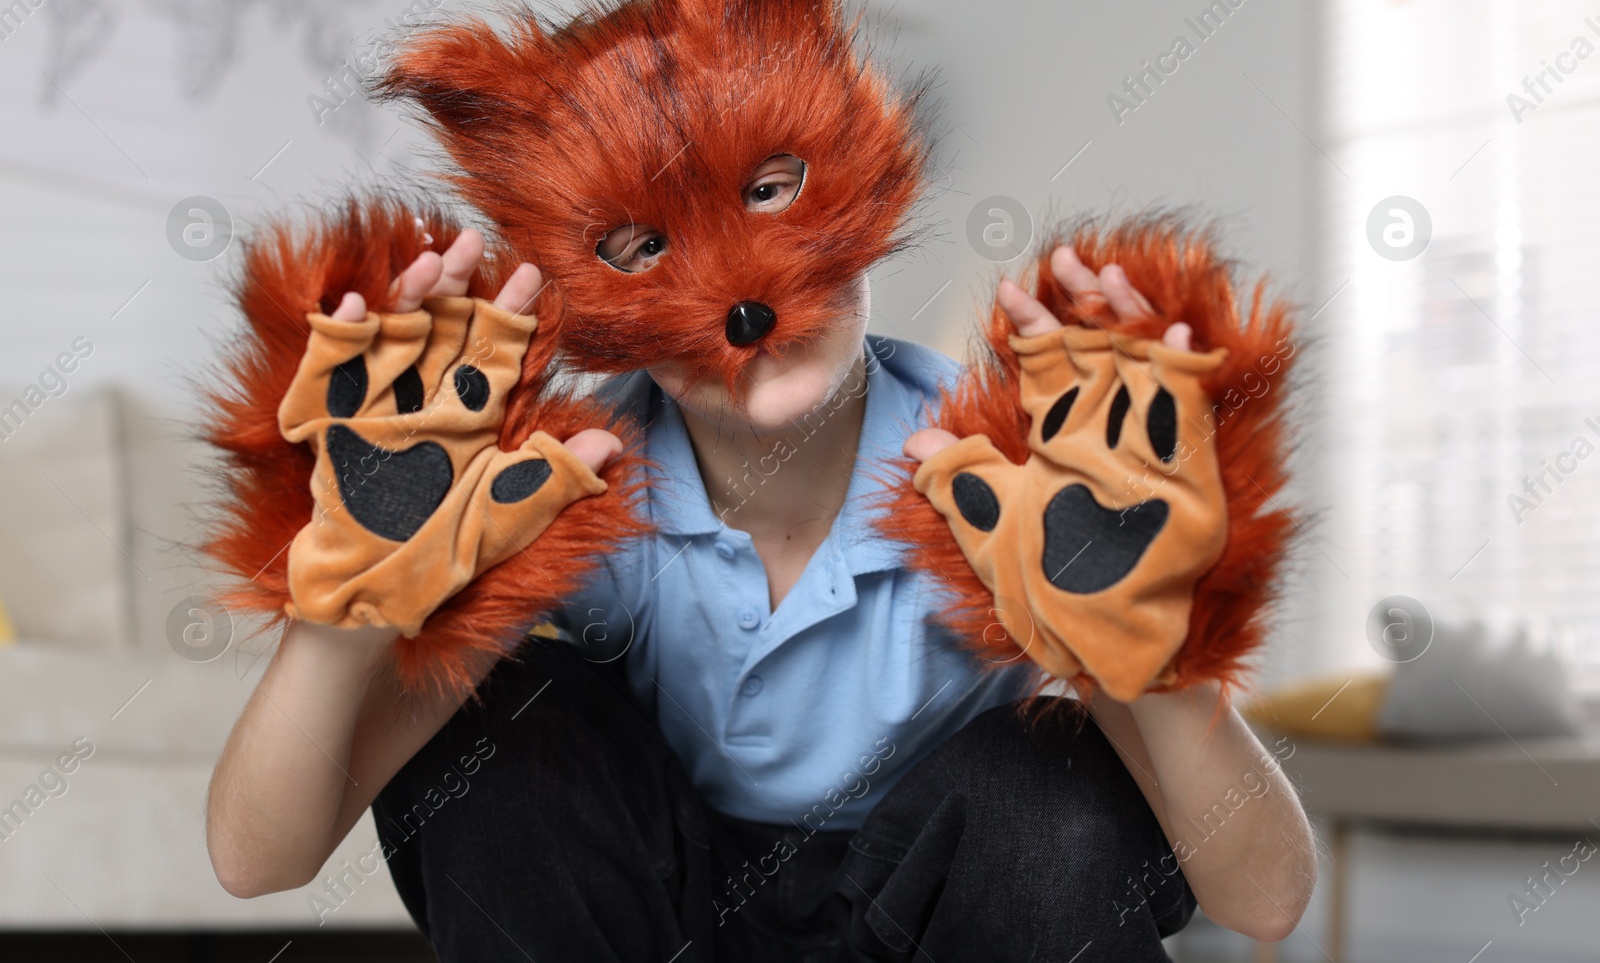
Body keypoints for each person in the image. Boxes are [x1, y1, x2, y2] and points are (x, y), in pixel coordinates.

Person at [206, 214, 1317, 960]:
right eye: (649, 244)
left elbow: (1265, 900)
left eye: (773, 196)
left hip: (934, 907)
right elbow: (259, 856)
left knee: (1050, 777)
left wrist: (1160, 653)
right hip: (657, 908)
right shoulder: (569, 483)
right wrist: (347, 600)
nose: (737, 299)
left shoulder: (1006, 486)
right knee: (506, 732)